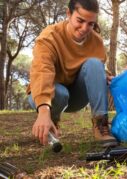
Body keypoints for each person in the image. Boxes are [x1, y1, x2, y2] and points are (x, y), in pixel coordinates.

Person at [27, 0, 118, 147]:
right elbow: (41, 71)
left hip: (77, 97)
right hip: (49, 96)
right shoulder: (49, 36)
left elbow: (96, 68)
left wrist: (103, 77)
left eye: (91, 24)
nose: (84, 28)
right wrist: (44, 112)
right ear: (68, 13)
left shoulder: (96, 41)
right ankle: (51, 121)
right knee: (61, 93)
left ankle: (101, 126)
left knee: (95, 64)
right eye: (80, 21)